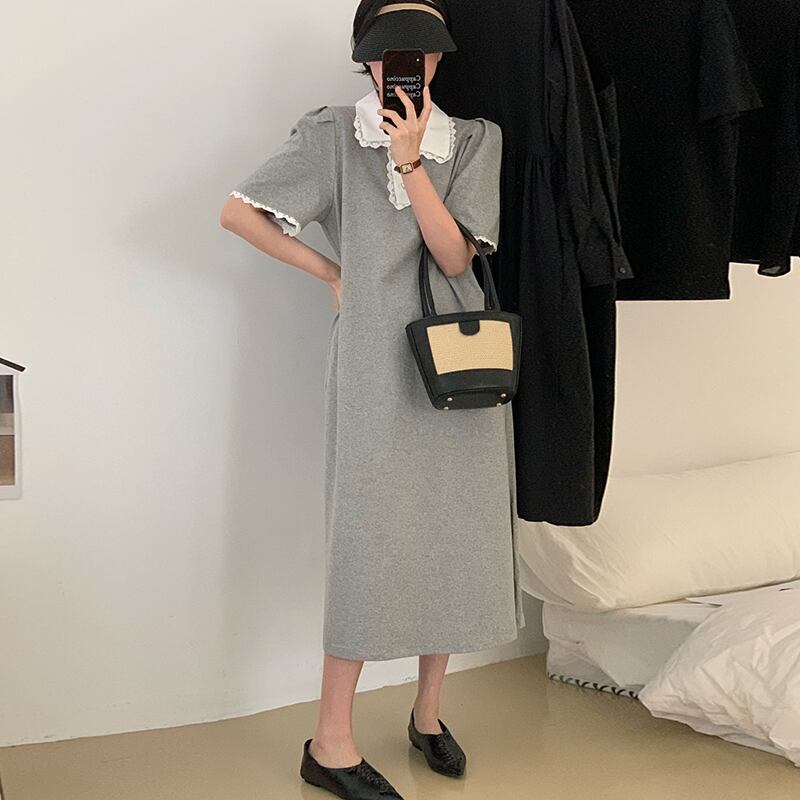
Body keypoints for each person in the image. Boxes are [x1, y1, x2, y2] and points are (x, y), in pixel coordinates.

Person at [220, 2, 526, 797]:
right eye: (393, 53)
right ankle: (330, 742)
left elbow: (454, 255)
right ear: (366, 59)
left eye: (423, 53)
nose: (408, 67)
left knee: (453, 532)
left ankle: (426, 715)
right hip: (371, 367)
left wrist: (412, 163)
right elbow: (238, 213)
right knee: (368, 541)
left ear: (441, 60)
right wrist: (332, 273)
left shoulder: (476, 140)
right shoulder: (331, 134)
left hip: (460, 358)